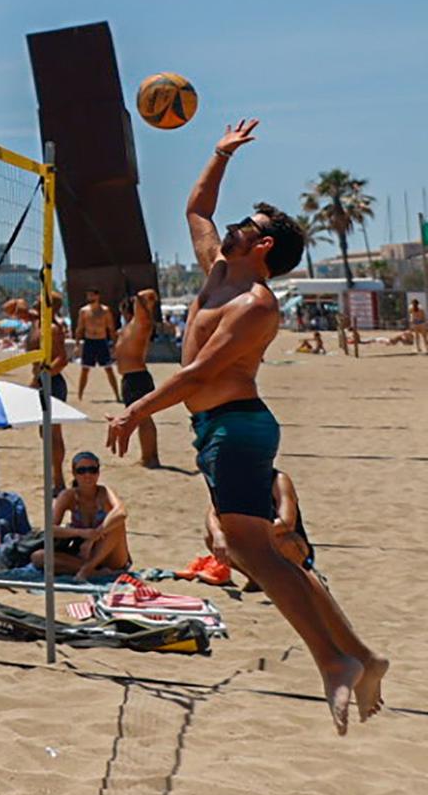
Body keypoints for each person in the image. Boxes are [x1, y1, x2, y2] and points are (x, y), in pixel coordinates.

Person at [108, 119, 384, 734]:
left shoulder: (257, 304)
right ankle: (363, 655)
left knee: (254, 554)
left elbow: (203, 372)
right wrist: (219, 154)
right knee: (270, 554)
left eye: (247, 228)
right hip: (216, 431)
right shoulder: (217, 272)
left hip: (237, 426)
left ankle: (333, 662)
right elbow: (197, 208)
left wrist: (135, 409)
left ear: (261, 249)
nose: (231, 227)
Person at [206, 467, 316, 593]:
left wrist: (251, 535)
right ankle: (256, 578)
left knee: (287, 540)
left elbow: (287, 522)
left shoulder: (278, 479)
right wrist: (217, 534)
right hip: (249, 539)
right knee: (211, 537)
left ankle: (293, 579)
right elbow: (212, 513)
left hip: (281, 541)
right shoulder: (230, 479)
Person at [48, 451, 130, 580]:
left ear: (98, 473)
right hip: (84, 553)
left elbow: (121, 512)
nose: (88, 475)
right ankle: (95, 572)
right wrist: (82, 533)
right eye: (82, 471)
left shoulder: (105, 492)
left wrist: (94, 536)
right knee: (39, 557)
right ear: (74, 474)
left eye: (92, 470)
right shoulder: (68, 496)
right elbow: (51, 528)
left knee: (117, 524)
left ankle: (87, 569)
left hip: (110, 555)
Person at [113, 288, 162, 468]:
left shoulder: (140, 324)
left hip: (137, 376)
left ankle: (151, 457)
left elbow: (147, 295)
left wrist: (138, 299)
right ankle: (147, 456)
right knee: (139, 419)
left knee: (144, 418)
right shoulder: (126, 329)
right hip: (129, 378)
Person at [26, 295, 69, 487]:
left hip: (52, 382)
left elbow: (62, 358)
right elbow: (12, 308)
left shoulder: (51, 328)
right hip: (41, 382)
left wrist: (42, 376)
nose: (35, 300)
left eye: (40, 297)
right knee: (45, 433)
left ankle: (59, 480)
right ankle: (54, 476)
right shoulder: (37, 323)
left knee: (53, 432)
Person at [75, 287, 121, 403]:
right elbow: (79, 328)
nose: (89, 298)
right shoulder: (84, 311)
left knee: (108, 369)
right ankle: (79, 396)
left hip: (101, 341)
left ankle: (117, 395)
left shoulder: (105, 311)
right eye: (88, 296)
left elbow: (111, 328)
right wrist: (77, 344)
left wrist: (115, 344)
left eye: (92, 295)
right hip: (89, 341)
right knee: (85, 369)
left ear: (97, 296)